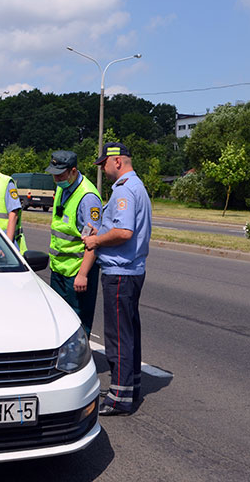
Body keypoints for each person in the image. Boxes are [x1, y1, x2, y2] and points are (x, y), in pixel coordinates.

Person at [83, 142, 152, 416]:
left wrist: (95, 239)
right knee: (129, 331)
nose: (103, 169)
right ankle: (131, 386)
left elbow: (123, 232)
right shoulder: (137, 187)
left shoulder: (125, 190)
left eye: (105, 164)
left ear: (118, 162)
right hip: (132, 270)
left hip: (120, 271)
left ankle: (119, 397)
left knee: (118, 336)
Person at [45, 150, 102, 338]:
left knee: (78, 323)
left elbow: (93, 242)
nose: (56, 179)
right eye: (54, 174)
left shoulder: (88, 197)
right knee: (59, 321)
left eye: (60, 175)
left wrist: (83, 274)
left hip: (77, 272)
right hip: (59, 268)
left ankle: (79, 363)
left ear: (73, 171)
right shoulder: (62, 188)